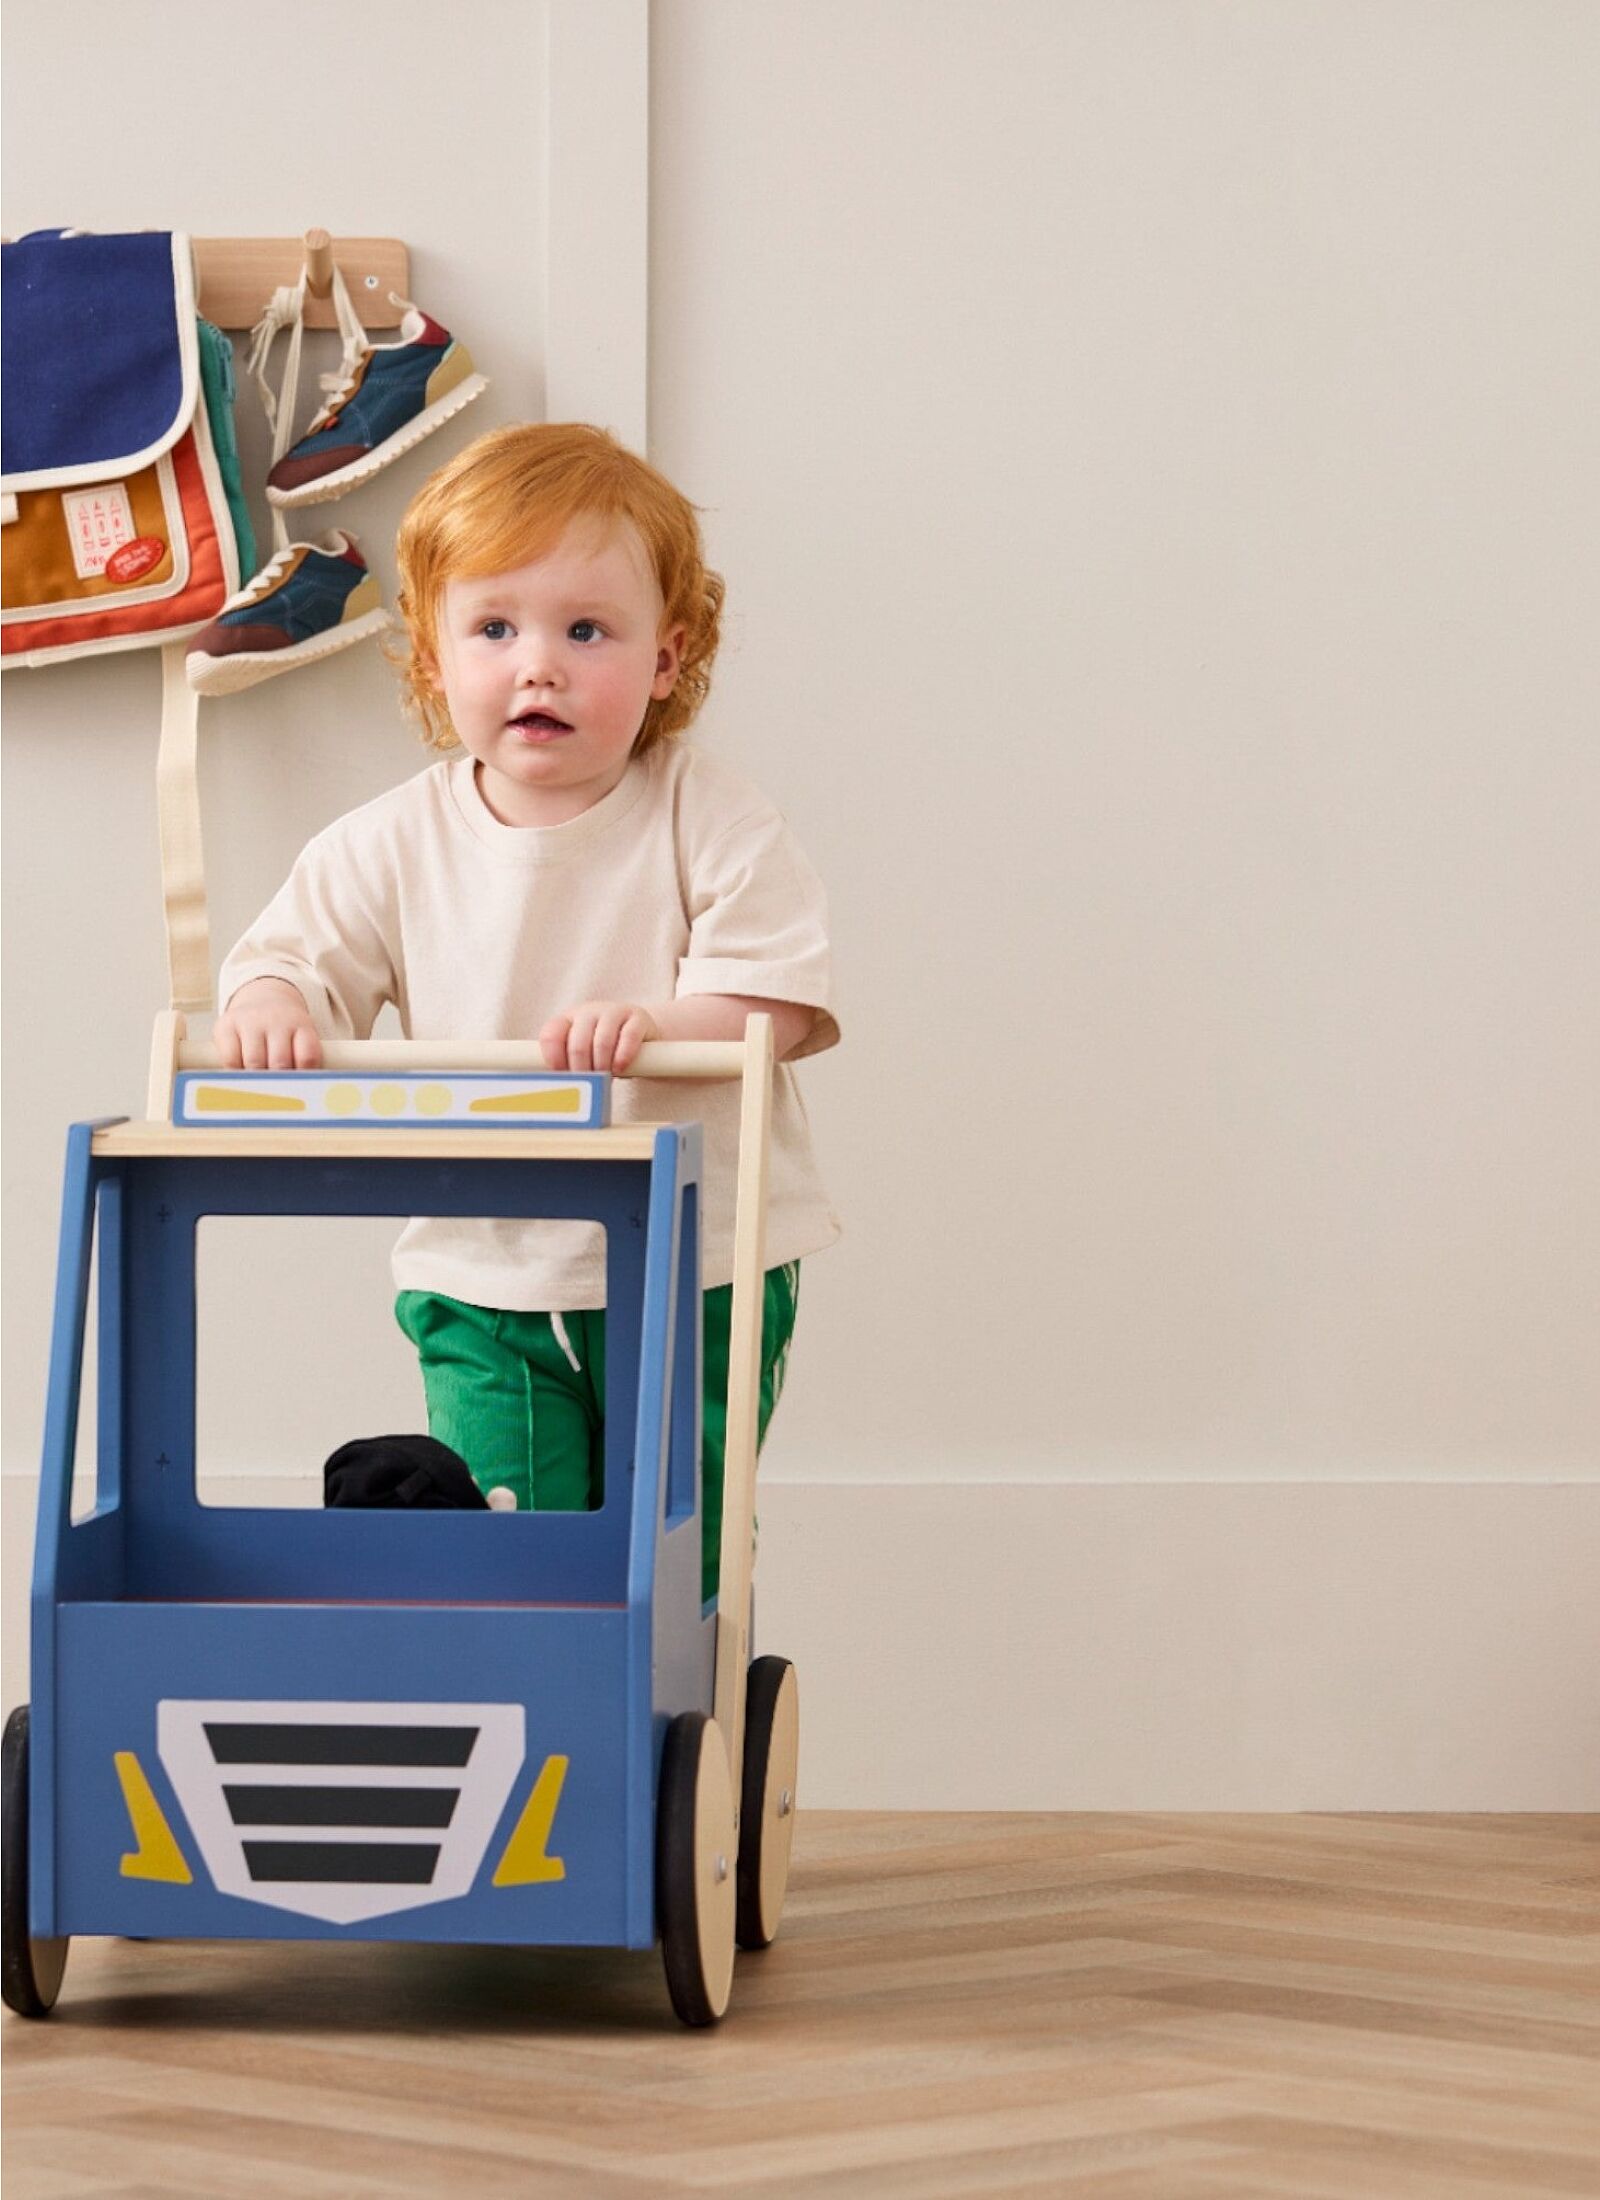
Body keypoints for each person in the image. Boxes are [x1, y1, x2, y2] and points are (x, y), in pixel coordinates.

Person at [215, 423, 839, 1600]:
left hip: (691, 1264)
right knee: (509, 1540)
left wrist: (662, 1023)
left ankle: (671, 1731)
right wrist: (272, 1000)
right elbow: (292, 959)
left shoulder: (709, 817)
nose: (535, 665)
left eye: (585, 631)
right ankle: (534, 1727)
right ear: (434, 656)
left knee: (677, 1535)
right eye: (494, 629)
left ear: (668, 656)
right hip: (482, 1268)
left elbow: (778, 1004)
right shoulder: (390, 841)